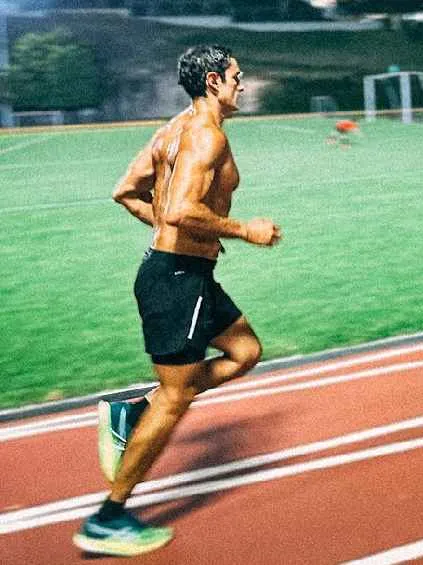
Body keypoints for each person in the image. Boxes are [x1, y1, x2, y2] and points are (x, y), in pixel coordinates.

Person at [72, 45, 281, 557]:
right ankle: (109, 515)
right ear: (213, 81)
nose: (242, 84)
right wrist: (243, 230)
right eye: (236, 77)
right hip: (177, 281)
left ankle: (133, 411)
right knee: (177, 398)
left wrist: (184, 239)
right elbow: (182, 210)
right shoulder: (206, 137)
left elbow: (126, 191)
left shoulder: (172, 130)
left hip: (184, 273)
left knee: (246, 353)